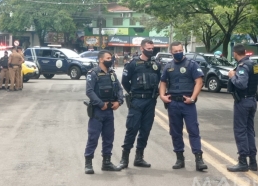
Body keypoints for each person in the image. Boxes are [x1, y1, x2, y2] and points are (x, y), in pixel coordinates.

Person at [160, 41, 207, 171]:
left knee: (193, 130)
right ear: (171, 52)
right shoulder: (168, 66)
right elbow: (163, 82)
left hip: (188, 103)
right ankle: (179, 158)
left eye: (180, 50)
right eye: (175, 51)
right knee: (175, 131)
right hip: (173, 103)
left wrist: (192, 98)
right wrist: (162, 96)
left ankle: (199, 159)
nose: (178, 53)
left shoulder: (192, 64)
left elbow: (199, 82)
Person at [119, 39, 161, 169]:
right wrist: (134, 93)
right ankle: (124, 158)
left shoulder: (156, 64)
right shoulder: (133, 64)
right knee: (132, 128)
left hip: (150, 101)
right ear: (142, 48)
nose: (151, 50)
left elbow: (160, 80)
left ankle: (139, 157)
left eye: (152, 48)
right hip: (137, 101)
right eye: (148, 48)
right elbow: (125, 82)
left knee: (145, 129)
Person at [84, 50, 124, 174]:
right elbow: (89, 91)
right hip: (98, 110)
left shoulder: (112, 73)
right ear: (101, 59)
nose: (110, 60)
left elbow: (119, 88)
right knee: (93, 137)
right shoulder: (93, 73)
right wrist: (101, 104)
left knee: (109, 137)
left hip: (109, 110)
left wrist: (119, 101)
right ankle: (88, 164)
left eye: (111, 57)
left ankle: (106, 163)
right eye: (108, 58)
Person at [226, 44, 258, 172]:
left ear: (235, 53)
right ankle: (253, 161)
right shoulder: (254, 65)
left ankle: (242, 161)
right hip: (252, 100)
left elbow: (241, 84)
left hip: (243, 101)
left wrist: (232, 76)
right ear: (245, 52)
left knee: (240, 131)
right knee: (249, 131)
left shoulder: (242, 66)